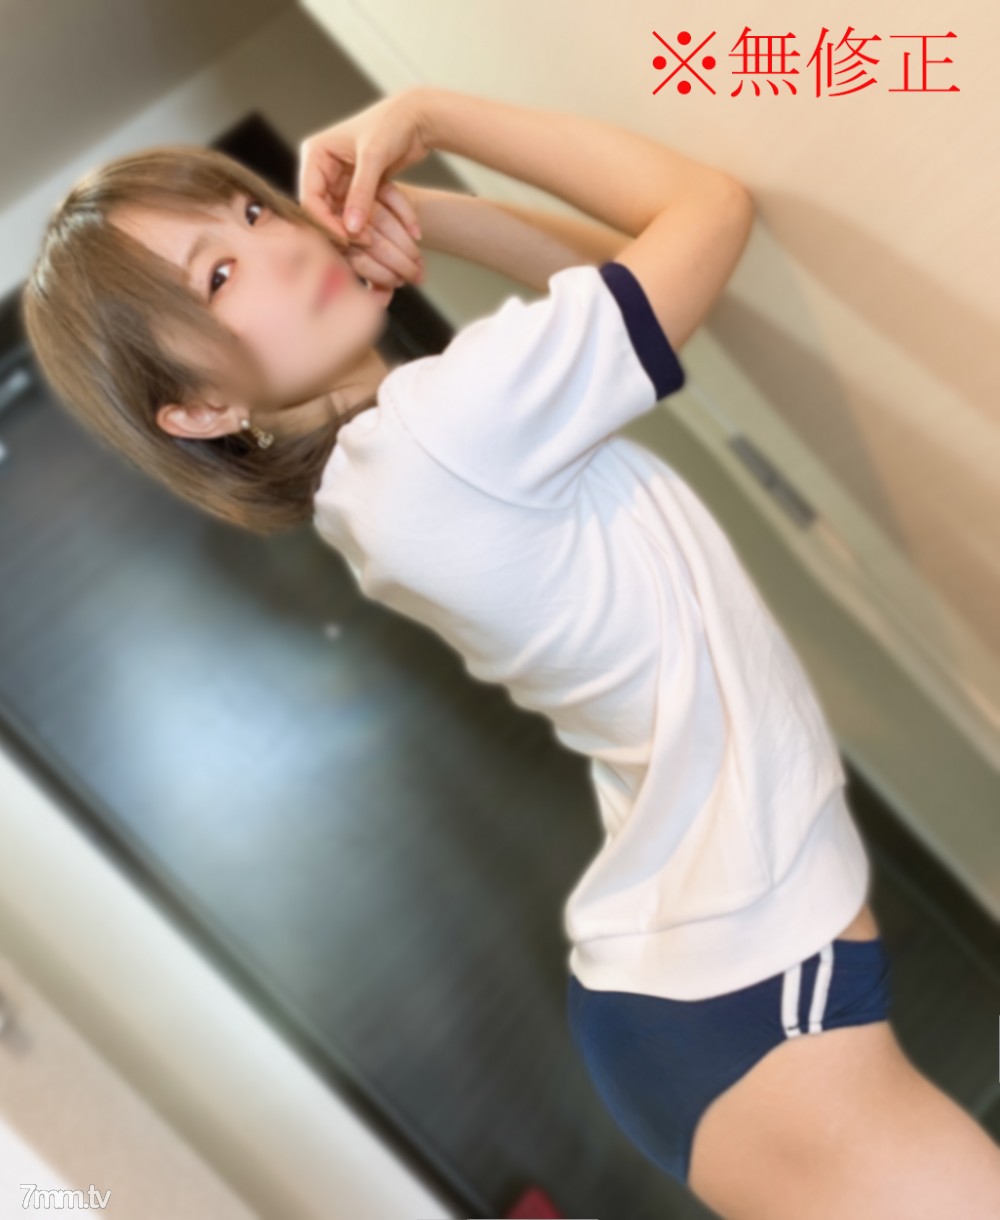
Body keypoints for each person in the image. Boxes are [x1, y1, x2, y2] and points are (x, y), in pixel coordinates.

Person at [23, 86, 1000, 1219]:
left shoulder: (381, 472)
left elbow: (632, 276)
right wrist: (431, 117)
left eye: (251, 213)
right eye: (220, 275)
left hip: (711, 981)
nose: (280, 245)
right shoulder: (442, 435)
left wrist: (422, 217)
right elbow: (706, 213)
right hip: (742, 978)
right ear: (195, 410)